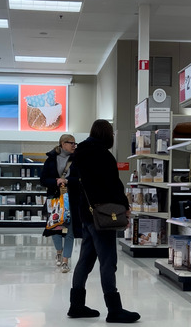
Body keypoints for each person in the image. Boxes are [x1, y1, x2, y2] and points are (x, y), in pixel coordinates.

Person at [66, 119, 140, 323]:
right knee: (108, 262)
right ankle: (114, 309)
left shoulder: (78, 154)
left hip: (87, 214)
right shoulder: (104, 155)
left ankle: (76, 305)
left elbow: (75, 185)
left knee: (85, 261)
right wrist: (125, 206)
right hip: (104, 215)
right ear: (106, 135)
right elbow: (113, 185)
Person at [40, 134, 77, 273]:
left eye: (75, 143)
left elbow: (80, 179)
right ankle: (59, 251)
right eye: (71, 143)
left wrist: (67, 181)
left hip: (70, 198)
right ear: (62, 144)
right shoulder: (51, 159)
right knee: (55, 227)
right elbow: (43, 180)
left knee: (70, 229)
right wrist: (56, 181)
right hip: (54, 198)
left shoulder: (77, 160)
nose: (74, 145)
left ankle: (66, 260)